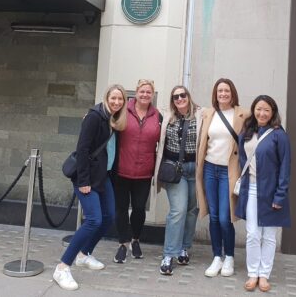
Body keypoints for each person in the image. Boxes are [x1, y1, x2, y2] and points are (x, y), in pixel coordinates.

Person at [53, 84, 128, 291]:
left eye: (120, 99)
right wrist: (84, 181)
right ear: (106, 98)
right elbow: (83, 149)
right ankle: (62, 267)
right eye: (113, 98)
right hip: (86, 178)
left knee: (108, 217)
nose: (116, 102)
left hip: (103, 177)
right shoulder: (95, 116)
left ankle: (84, 254)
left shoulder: (114, 120)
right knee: (93, 220)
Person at [235, 95, 291, 293]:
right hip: (250, 189)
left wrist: (280, 195)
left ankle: (264, 275)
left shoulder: (279, 135)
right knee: (252, 234)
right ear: (254, 110)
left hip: (271, 191)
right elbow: (242, 159)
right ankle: (253, 273)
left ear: (273, 112)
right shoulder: (247, 132)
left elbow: (285, 167)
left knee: (268, 236)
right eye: (259, 109)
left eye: (267, 109)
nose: (262, 113)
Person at [197, 78, 249, 277]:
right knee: (215, 216)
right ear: (215, 94)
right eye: (220, 91)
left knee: (226, 218)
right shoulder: (209, 113)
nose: (223, 94)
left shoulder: (243, 114)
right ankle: (216, 256)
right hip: (210, 169)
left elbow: (259, 126)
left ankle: (229, 257)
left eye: (227, 90)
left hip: (229, 171)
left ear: (232, 93)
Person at [154, 85, 203, 275]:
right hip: (174, 170)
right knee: (178, 210)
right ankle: (168, 255)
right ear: (172, 101)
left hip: (195, 169)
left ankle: (184, 247)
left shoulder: (201, 114)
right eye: (176, 97)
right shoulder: (165, 115)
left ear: (189, 97)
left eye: (183, 95)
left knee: (192, 209)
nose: (180, 99)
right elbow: (141, 112)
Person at [113, 79, 162, 263]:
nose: (145, 95)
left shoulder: (158, 116)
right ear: (136, 92)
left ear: (152, 94)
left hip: (144, 171)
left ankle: (135, 239)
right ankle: (122, 243)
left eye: (148, 92)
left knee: (140, 208)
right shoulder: (123, 110)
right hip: (122, 170)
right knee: (121, 208)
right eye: (142, 91)